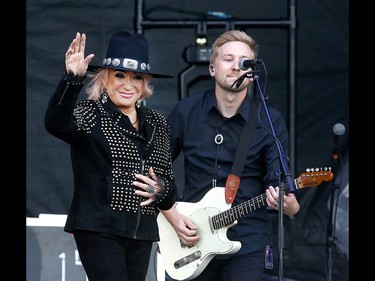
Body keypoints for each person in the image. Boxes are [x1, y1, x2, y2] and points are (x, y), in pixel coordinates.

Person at [160, 30, 300, 281]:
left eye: (244, 61)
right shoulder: (186, 112)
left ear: (251, 71)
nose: (237, 66)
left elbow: (277, 181)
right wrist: (171, 219)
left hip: (247, 242)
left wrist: (289, 205)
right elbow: (156, 170)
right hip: (191, 237)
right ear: (212, 68)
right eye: (228, 59)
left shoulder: (268, 120)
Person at [44, 30, 178, 281]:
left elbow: (170, 187)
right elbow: (56, 124)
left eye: (136, 77)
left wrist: (161, 190)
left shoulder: (158, 124)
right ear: (105, 78)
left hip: (142, 233)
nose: (128, 85)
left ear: (144, 84)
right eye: (119, 75)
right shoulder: (91, 113)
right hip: (99, 229)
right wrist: (72, 79)